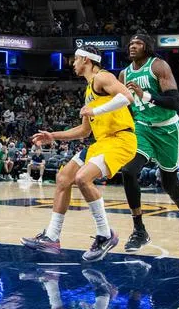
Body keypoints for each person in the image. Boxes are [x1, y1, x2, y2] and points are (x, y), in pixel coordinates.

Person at [23, 46, 136, 262]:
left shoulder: (102, 77)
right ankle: (52, 237)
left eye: (75, 59)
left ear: (85, 59)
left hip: (121, 139)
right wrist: (53, 136)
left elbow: (127, 97)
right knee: (63, 178)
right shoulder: (88, 92)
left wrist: (95, 110)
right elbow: (84, 131)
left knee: (82, 178)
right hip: (102, 142)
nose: (72, 63)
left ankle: (105, 235)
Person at [115, 33, 179, 252]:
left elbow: (174, 102)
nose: (133, 46)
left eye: (138, 43)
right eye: (131, 43)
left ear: (147, 47)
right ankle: (139, 230)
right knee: (128, 170)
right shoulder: (124, 74)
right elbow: (122, 104)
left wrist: (146, 96)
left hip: (168, 129)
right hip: (142, 127)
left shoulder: (158, 66)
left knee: (169, 183)